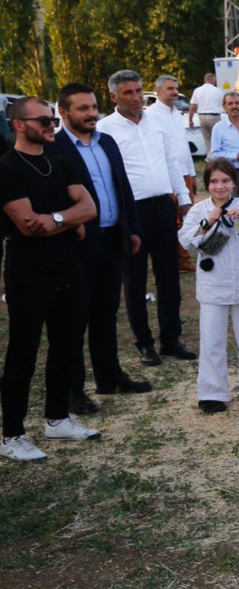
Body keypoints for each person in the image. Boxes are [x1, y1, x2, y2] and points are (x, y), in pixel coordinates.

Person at [1, 97, 101, 462]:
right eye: (43, 120)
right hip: (28, 270)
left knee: (67, 342)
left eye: (52, 119)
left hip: (67, 267)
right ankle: (11, 434)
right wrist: (69, 221)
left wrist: (58, 220)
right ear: (18, 124)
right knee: (23, 351)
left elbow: (90, 208)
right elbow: (28, 225)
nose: (50, 125)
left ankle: (57, 418)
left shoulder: (58, 163)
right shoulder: (8, 168)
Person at [47, 83, 152, 417]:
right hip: (76, 244)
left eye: (93, 107)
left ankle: (109, 377)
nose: (91, 114)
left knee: (105, 313)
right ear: (63, 113)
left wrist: (132, 229)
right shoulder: (55, 148)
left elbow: (122, 187)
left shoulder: (107, 141)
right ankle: (72, 390)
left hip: (112, 239)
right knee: (74, 319)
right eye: (82, 109)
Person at [96, 70, 196, 365]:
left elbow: (170, 160)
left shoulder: (158, 121)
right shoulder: (106, 129)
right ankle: (144, 343)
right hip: (131, 212)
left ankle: (170, 339)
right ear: (114, 96)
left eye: (139, 91)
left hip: (163, 205)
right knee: (135, 280)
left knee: (169, 277)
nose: (137, 97)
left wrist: (185, 200)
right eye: (128, 93)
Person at [178, 158, 239, 414]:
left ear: (234, 183)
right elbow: (185, 241)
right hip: (213, 287)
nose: (220, 186)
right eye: (214, 181)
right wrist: (208, 222)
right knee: (212, 342)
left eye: (225, 181)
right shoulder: (200, 210)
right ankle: (212, 393)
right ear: (207, 185)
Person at [145, 74, 198, 274]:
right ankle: (174, 259)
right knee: (172, 219)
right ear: (158, 91)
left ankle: (183, 257)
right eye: (170, 88)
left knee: (187, 216)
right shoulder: (151, 115)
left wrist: (192, 174)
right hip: (167, 175)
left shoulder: (176, 113)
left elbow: (183, 145)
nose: (175, 92)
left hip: (184, 172)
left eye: (176, 88)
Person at [188, 73, 223, 156]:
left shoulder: (197, 90)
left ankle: (209, 157)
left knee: (207, 139)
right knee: (217, 138)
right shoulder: (218, 91)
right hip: (214, 116)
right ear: (213, 80)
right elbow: (223, 105)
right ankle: (218, 156)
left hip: (202, 117)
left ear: (205, 80)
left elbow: (192, 106)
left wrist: (190, 120)